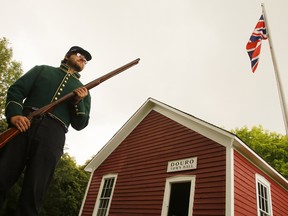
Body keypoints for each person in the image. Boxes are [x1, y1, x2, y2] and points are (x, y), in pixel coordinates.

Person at [0, 46, 92, 215]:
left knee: (34, 192)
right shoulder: (42, 70)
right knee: (2, 175)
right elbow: (16, 90)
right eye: (80, 55)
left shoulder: (84, 92)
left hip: (54, 135)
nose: (82, 59)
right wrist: (14, 115)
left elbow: (81, 124)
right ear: (67, 56)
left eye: (85, 60)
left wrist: (78, 101)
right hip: (24, 124)